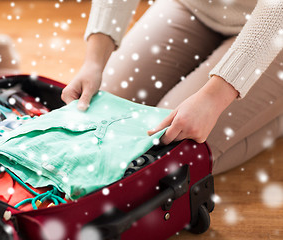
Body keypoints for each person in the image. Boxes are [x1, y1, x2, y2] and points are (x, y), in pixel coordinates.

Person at [61, 0, 283, 174]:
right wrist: (94, 60)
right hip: (195, 7)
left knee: (173, 154)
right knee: (102, 116)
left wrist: (213, 98)